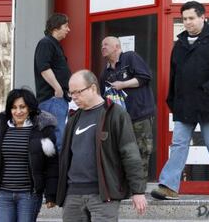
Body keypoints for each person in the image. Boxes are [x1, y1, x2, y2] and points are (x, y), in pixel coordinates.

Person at [151, 1, 209, 200]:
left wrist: (208, 90)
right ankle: (169, 186)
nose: (187, 22)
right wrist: (172, 99)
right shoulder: (179, 44)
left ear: (203, 17)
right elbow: (174, 74)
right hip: (184, 104)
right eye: (184, 19)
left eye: (191, 18)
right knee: (178, 145)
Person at [56, 70, 147, 221]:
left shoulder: (115, 113)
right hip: (73, 195)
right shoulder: (73, 118)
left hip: (103, 195)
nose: (73, 97)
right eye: (71, 93)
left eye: (78, 92)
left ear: (92, 88)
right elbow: (65, 157)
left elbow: (130, 153)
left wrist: (138, 191)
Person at [0, 88, 59, 222]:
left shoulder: (42, 129)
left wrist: (51, 194)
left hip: (29, 195)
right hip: (4, 194)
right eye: (14, 107)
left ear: (30, 108)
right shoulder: (3, 128)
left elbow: (52, 164)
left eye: (22, 107)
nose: (18, 111)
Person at [100, 36, 156, 182]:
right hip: (119, 120)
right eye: (102, 45)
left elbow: (145, 77)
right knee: (122, 151)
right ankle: (126, 184)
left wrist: (122, 84)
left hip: (140, 115)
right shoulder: (105, 73)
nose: (103, 47)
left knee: (143, 150)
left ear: (117, 47)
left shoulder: (130, 57)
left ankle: (140, 186)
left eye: (106, 44)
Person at [34, 13, 72, 151]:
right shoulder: (46, 43)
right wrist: (58, 89)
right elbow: (44, 68)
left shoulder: (54, 45)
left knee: (57, 139)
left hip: (57, 100)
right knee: (57, 140)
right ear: (56, 27)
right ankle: (57, 172)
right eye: (66, 26)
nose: (69, 29)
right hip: (52, 100)